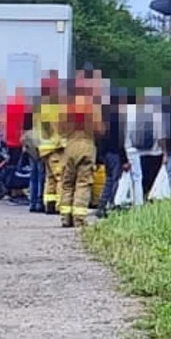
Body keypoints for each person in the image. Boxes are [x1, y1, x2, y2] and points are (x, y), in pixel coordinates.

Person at [60, 75, 101, 227]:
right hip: (86, 145)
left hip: (70, 146)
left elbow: (60, 128)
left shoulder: (67, 107)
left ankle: (65, 216)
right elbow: (99, 128)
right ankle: (79, 218)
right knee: (83, 182)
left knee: (67, 182)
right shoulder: (92, 106)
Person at [96, 88, 128, 218]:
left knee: (109, 179)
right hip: (115, 153)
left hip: (105, 153)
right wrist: (125, 159)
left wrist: (99, 156)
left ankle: (102, 205)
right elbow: (120, 141)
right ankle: (111, 204)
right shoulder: (117, 118)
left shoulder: (103, 116)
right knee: (115, 180)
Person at [37, 75, 66, 214]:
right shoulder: (55, 108)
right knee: (61, 176)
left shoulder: (41, 107)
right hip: (55, 148)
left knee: (50, 178)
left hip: (44, 148)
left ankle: (49, 203)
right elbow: (59, 129)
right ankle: (60, 205)